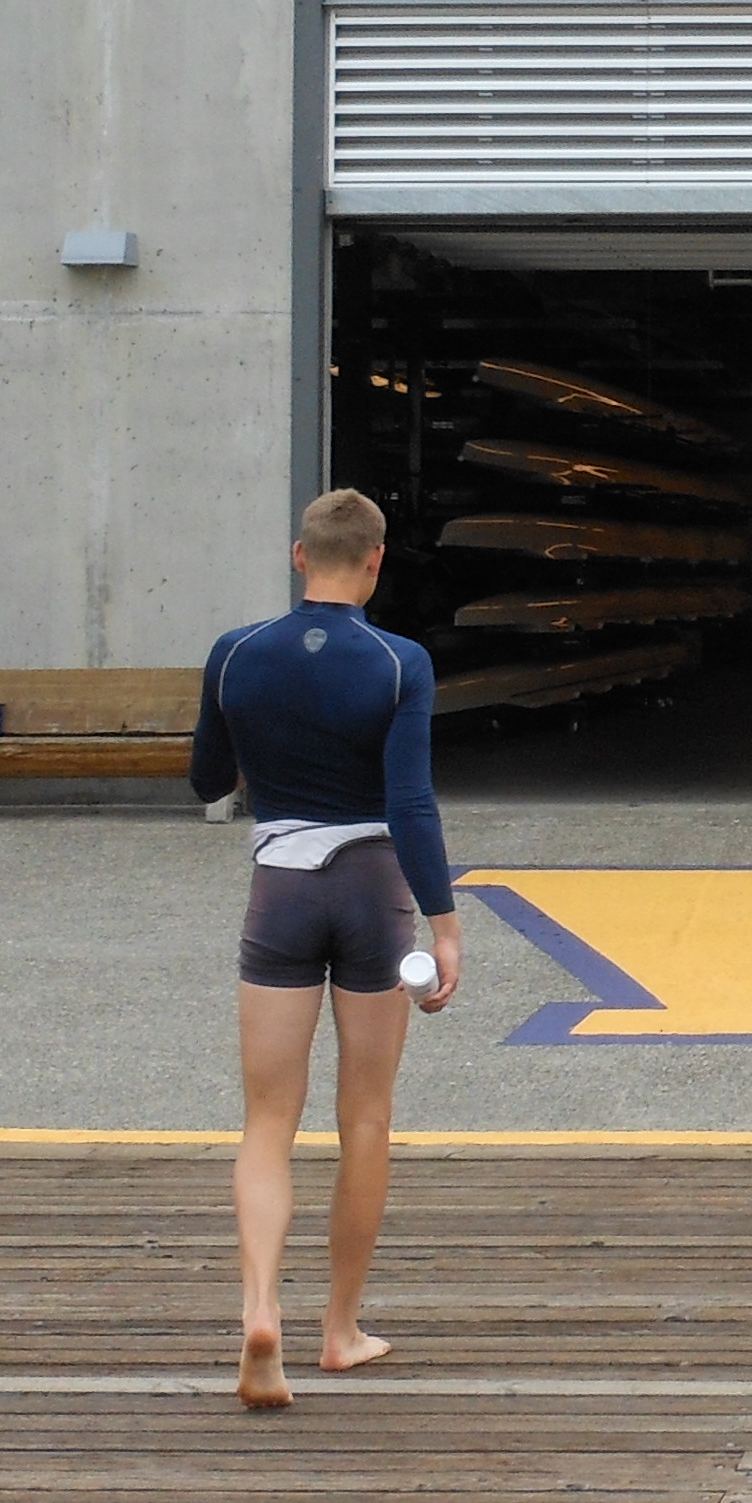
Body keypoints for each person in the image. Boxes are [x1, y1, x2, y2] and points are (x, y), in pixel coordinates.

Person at [192, 486, 461, 1412]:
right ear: (376, 561)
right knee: (367, 1119)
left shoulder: (236, 654)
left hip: (281, 885)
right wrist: (445, 923)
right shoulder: (399, 662)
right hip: (373, 889)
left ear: (299, 555)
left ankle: (259, 1310)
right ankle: (341, 1330)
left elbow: (205, 779)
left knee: (268, 1120)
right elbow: (411, 803)